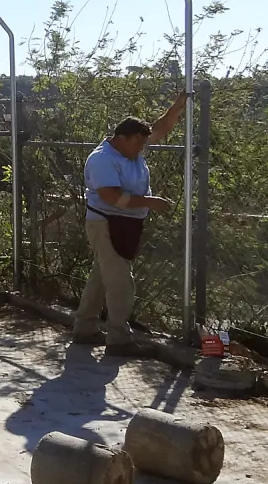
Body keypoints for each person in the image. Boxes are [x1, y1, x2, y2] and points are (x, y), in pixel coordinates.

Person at [73, 92, 188, 357]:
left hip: (123, 225)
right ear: (121, 138)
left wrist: (178, 107)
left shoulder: (131, 148)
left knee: (102, 276)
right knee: (122, 282)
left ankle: (85, 327)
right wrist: (149, 202)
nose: (142, 148)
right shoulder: (102, 159)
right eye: (138, 143)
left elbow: (159, 128)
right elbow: (111, 197)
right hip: (107, 223)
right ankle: (118, 338)